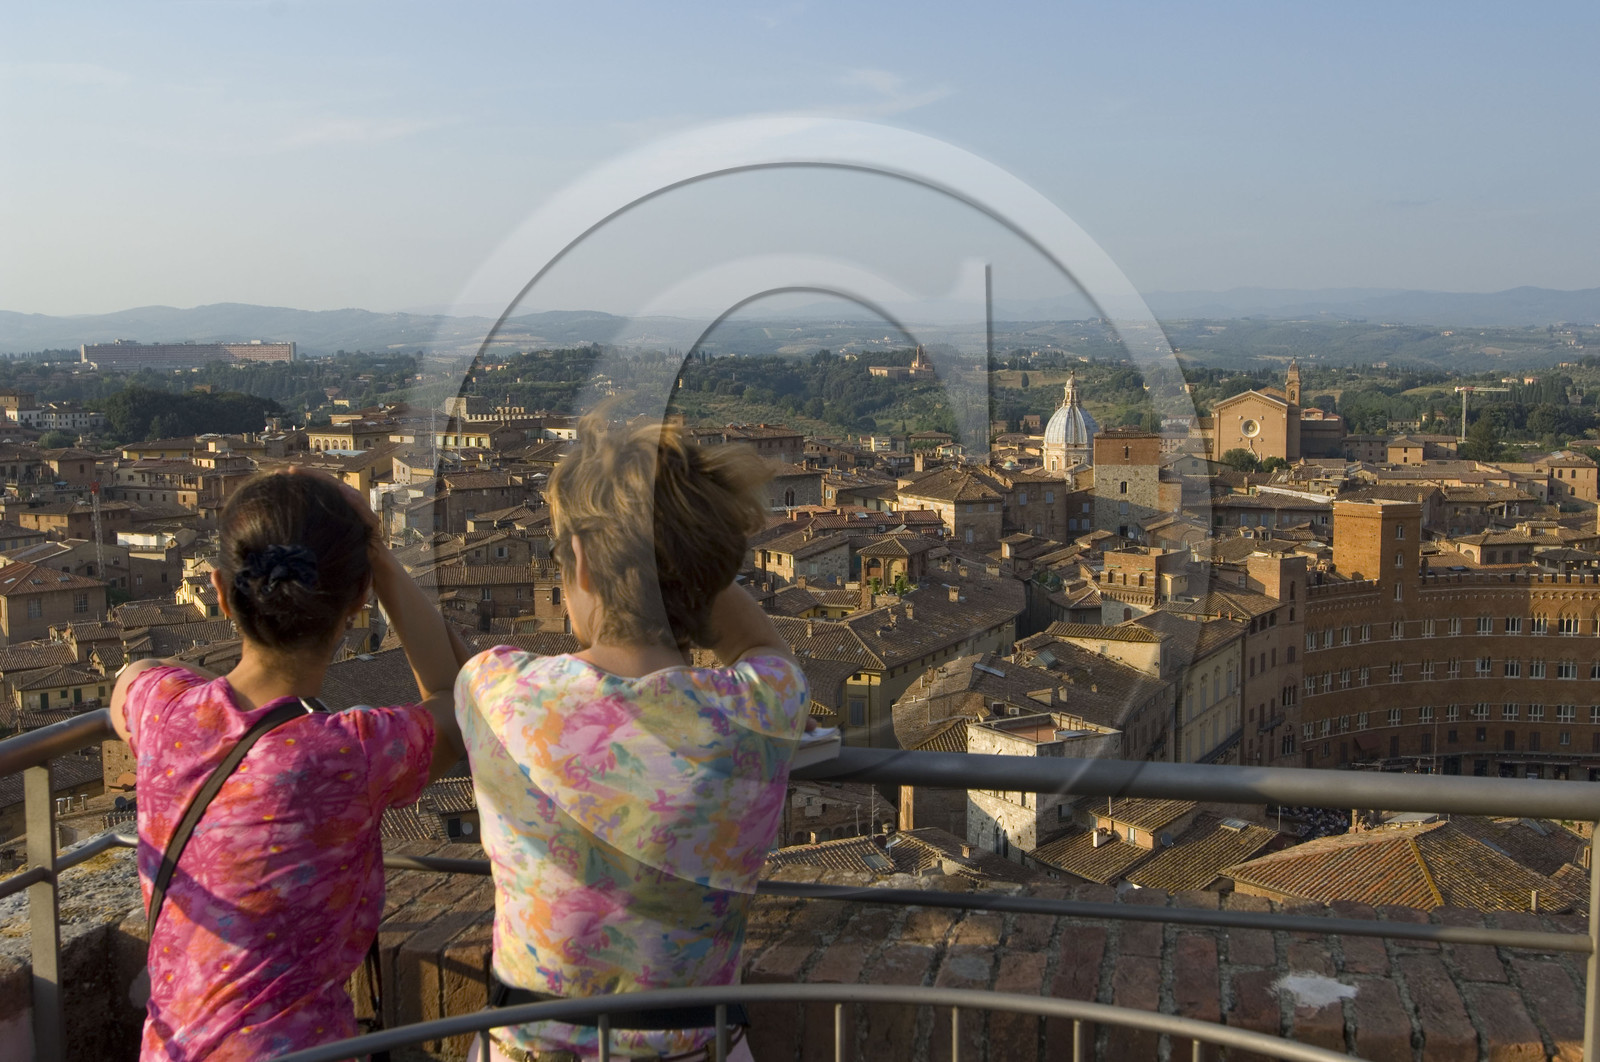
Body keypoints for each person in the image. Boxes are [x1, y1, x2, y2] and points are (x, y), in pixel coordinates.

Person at [455, 414, 810, 1062]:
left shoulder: (497, 691)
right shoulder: (763, 705)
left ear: (580, 564)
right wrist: (690, 565)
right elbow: (758, 641)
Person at [111, 468, 470, 1060]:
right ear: (356, 603)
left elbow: (131, 677)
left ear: (221, 593)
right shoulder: (351, 753)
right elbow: (453, 701)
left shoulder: (165, 713)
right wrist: (376, 554)